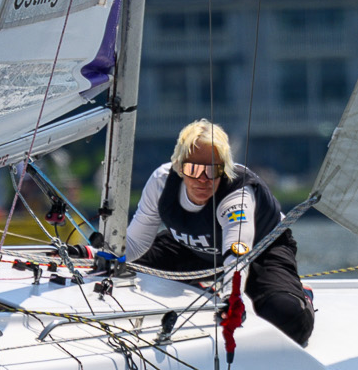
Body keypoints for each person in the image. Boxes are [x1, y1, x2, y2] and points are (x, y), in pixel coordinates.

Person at [125, 119, 313, 346]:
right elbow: (135, 244)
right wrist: (103, 256)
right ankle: (204, 281)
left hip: (260, 251)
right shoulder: (161, 182)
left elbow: (237, 253)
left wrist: (231, 297)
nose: (202, 179)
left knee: (287, 319)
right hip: (193, 245)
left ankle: (303, 295)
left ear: (224, 169)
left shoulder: (237, 194)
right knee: (124, 267)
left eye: (212, 170)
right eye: (193, 169)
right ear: (178, 166)